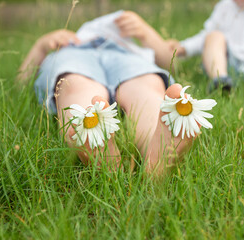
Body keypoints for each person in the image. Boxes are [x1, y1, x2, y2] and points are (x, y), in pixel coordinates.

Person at [17, 10, 197, 174]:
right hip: (73, 53)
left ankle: (158, 148)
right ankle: (93, 140)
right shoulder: (67, 42)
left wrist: (145, 32)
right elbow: (21, 81)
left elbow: (171, 62)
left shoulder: (131, 44)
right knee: (75, 86)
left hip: (124, 54)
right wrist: (41, 46)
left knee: (146, 85)